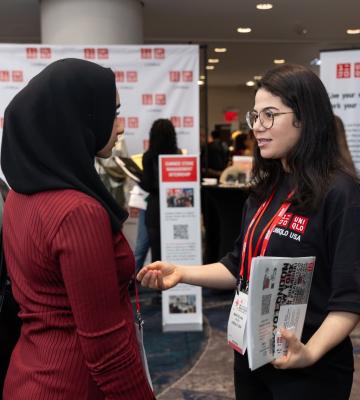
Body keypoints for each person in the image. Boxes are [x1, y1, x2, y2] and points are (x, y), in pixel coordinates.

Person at [137, 64, 360, 400]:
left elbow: (349, 299)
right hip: (252, 356)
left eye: (270, 115)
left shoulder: (340, 193)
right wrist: (181, 272)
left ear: (306, 118)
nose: (257, 127)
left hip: (310, 367)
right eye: (254, 116)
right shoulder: (265, 190)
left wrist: (310, 352)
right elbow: (238, 265)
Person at [1, 59, 155, 399]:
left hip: (28, 373)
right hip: (74, 385)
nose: (119, 126)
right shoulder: (78, 212)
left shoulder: (19, 197)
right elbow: (107, 349)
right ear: (76, 118)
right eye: (111, 112)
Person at [140, 119, 179, 262]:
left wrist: (138, 178)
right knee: (174, 251)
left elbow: (147, 185)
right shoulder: (177, 155)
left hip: (155, 209)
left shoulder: (148, 157)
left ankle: (157, 283)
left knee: (157, 255)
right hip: (174, 207)